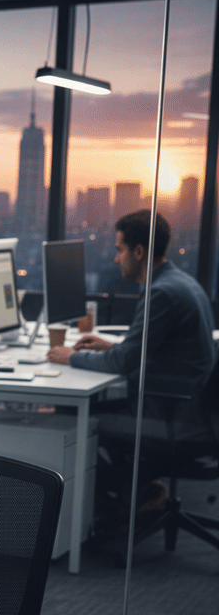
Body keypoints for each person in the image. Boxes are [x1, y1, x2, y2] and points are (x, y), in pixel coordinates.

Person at [47, 210, 217, 525]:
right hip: (187, 409)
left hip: (169, 418)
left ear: (139, 251)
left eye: (119, 250)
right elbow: (150, 351)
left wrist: (69, 356)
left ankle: (122, 500)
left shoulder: (161, 292)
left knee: (69, 419)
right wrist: (110, 346)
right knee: (79, 413)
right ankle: (137, 490)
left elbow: (124, 363)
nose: (116, 259)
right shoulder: (180, 282)